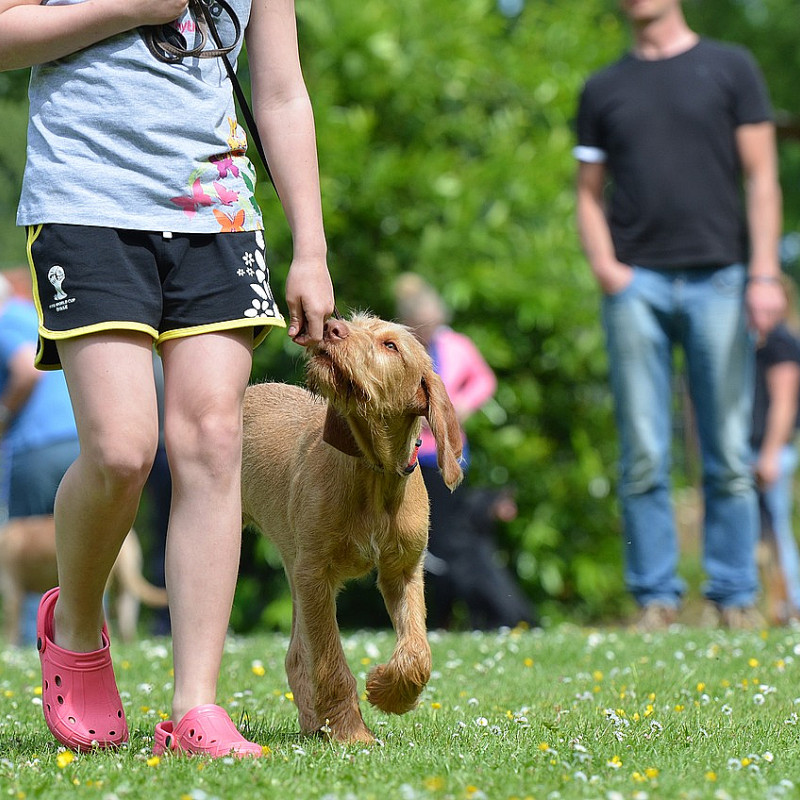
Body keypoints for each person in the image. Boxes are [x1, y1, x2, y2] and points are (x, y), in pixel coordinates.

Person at [1, 0, 334, 757]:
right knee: (122, 451)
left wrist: (311, 249)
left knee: (213, 441)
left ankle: (197, 708)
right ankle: (75, 624)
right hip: (85, 202)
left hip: (216, 211)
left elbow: (281, 91)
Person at [574, 0, 785, 631]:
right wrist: (607, 269)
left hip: (719, 279)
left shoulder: (732, 68)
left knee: (727, 449)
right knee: (643, 450)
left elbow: (763, 177)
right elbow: (587, 193)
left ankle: (735, 596)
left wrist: (764, 272)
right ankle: (655, 600)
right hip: (635, 286)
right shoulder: (603, 87)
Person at [394, 273, 507, 628]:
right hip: (414, 455)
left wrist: (463, 407)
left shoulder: (456, 345)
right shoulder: (400, 350)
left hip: (452, 454)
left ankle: (460, 616)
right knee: (427, 540)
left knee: (450, 540)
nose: (431, 332)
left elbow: (484, 380)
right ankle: (434, 617)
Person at [0, 272, 80, 644]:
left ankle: (34, 641)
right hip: (78, 440)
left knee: (25, 558)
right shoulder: (36, 315)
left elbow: (25, 370)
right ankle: (89, 636)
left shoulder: (6, 321)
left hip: (35, 448)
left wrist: (3, 416)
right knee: (86, 539)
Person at [751, 275, 800, 623]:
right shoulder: (758, 342)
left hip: (769, 452)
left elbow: (784, 404)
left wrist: (770, 455)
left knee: (777, 533)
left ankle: (792, 604)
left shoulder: (781, 342)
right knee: (761, 536)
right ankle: (771, 604)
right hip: (752, 450)